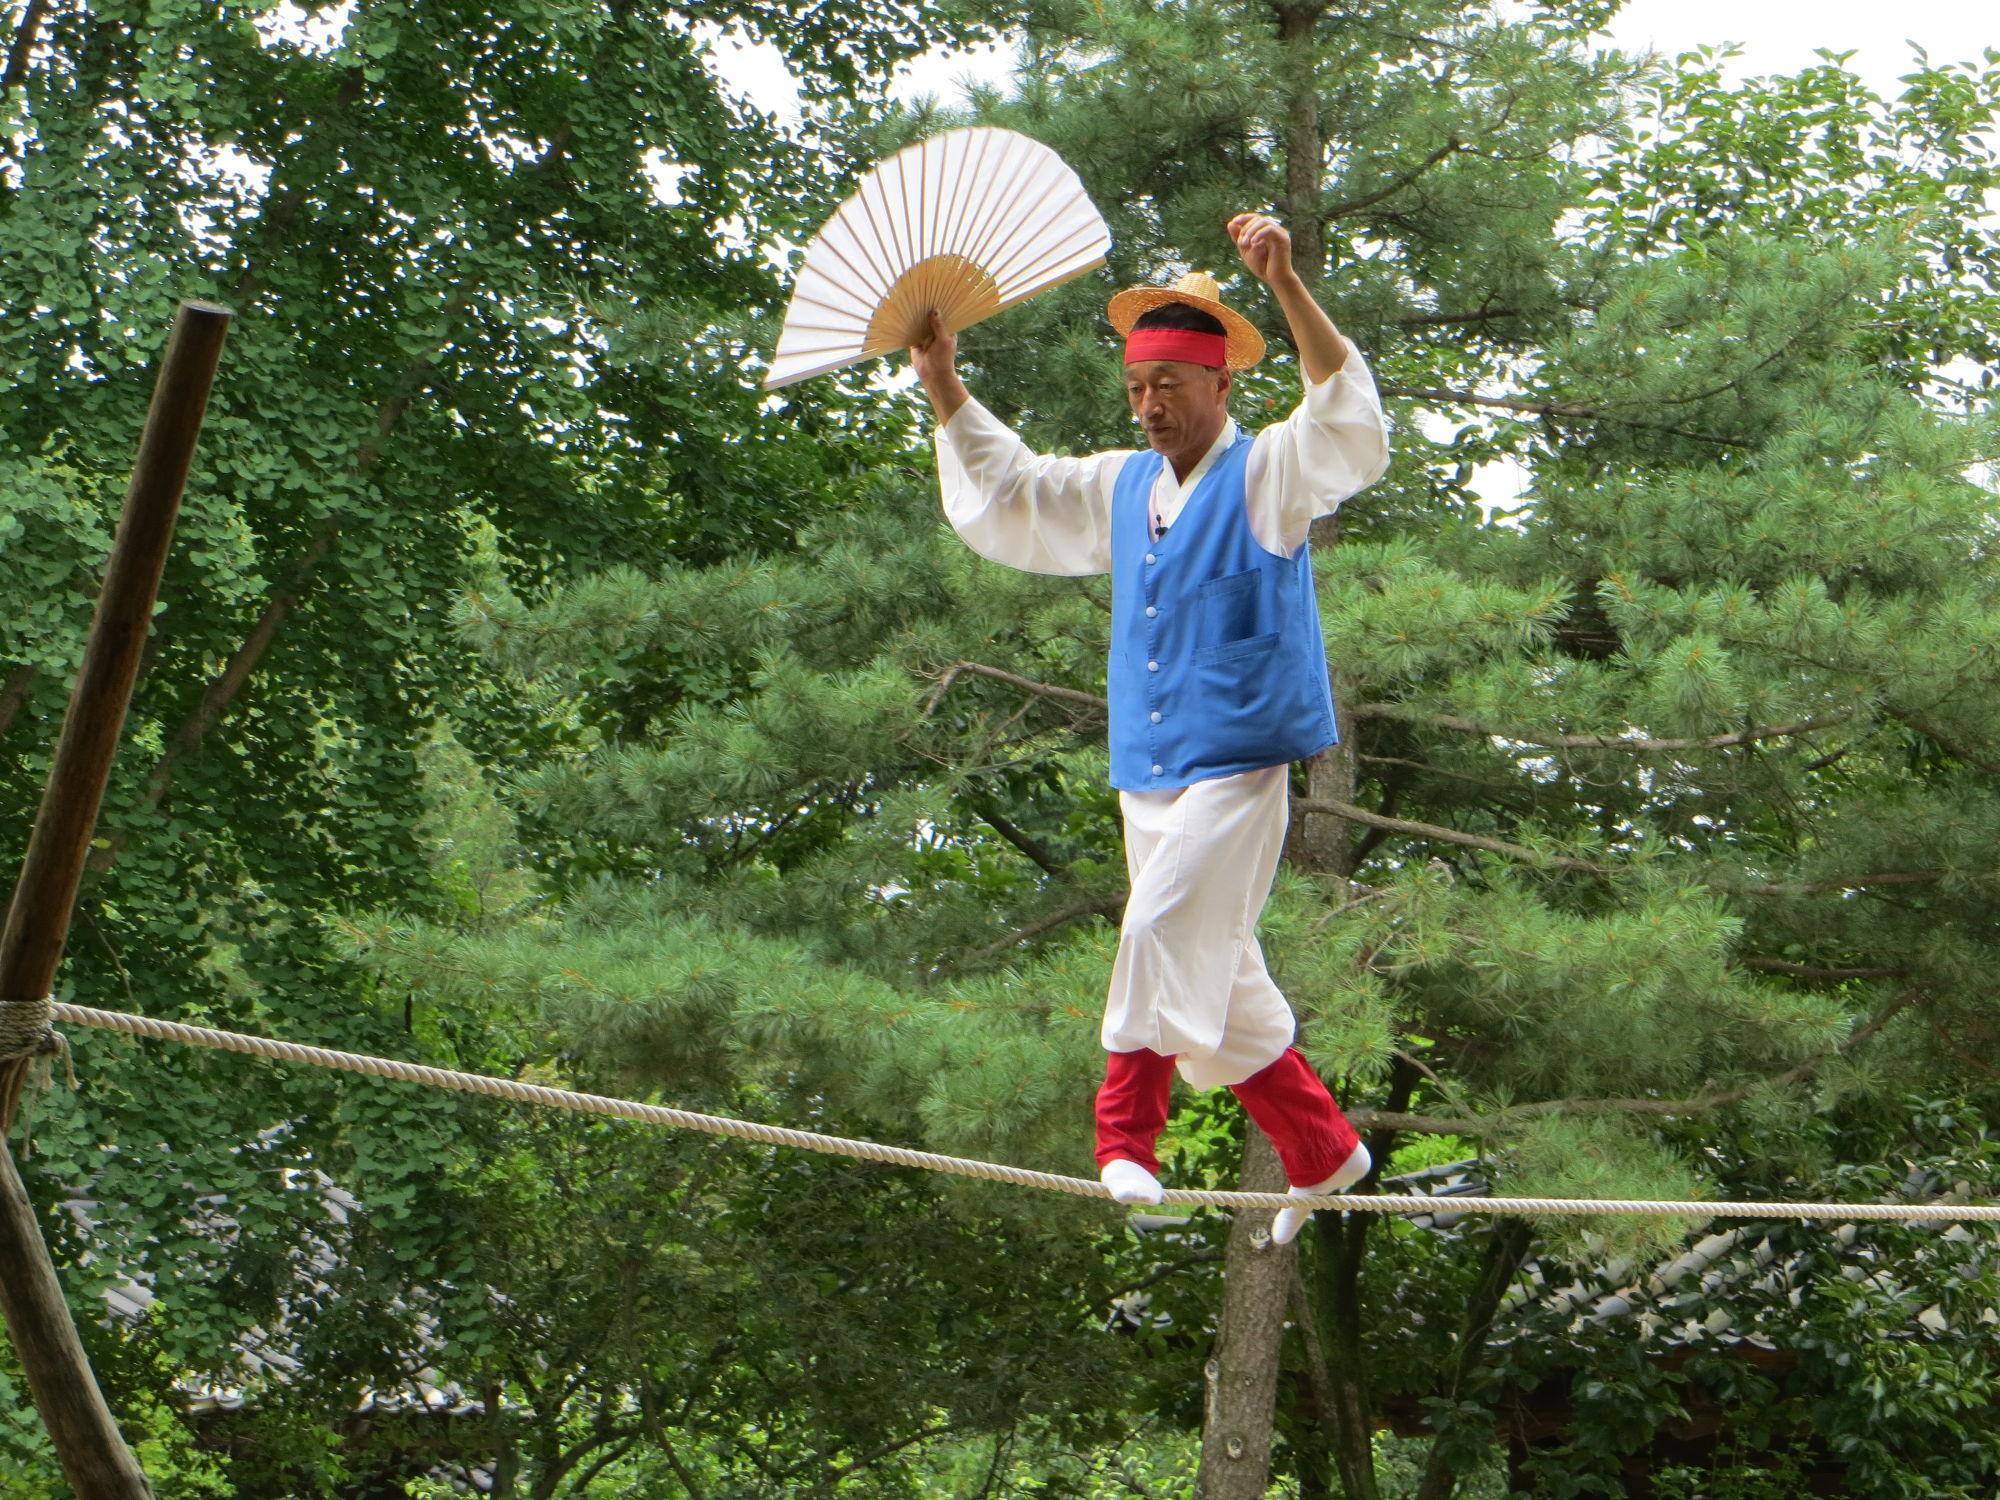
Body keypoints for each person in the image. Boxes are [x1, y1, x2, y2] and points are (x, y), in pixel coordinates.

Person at [909, 213, 1391, 1244]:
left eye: (1167, 385)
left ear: (1221, 386)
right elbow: (1014, 491)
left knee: (1159, 927)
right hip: (1147, 764)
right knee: (1220, 974)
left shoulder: (1268, 475)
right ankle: (1322, 1149)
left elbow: (1344, 421)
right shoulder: (1122, 486)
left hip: (1238, 762)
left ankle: (1123, 1134)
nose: (1149, 407)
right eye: (1135, 389)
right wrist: (942, 379)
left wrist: (1285, 285)